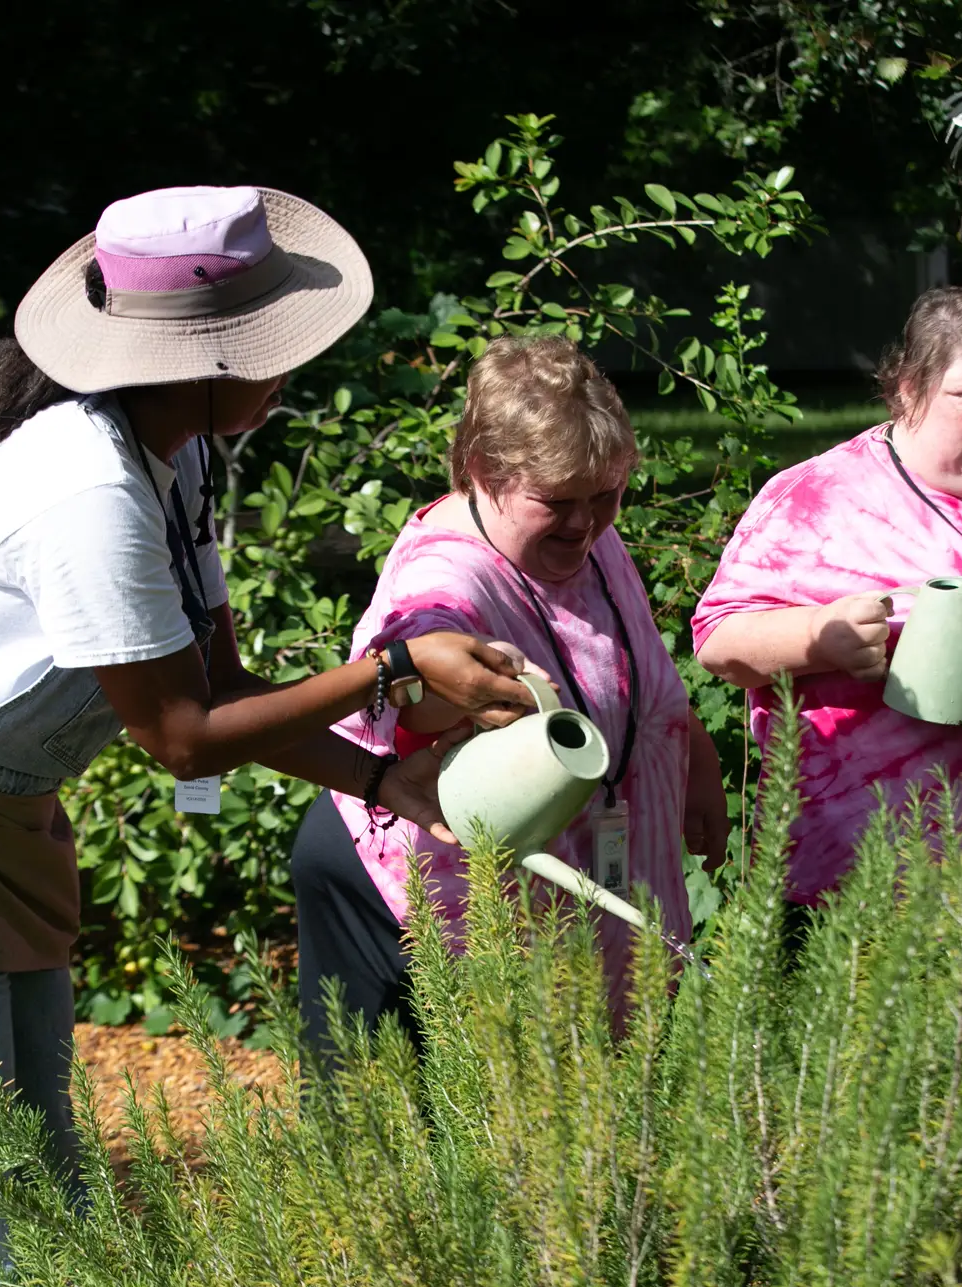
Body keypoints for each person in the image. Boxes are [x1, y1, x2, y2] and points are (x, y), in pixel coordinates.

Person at [0, 186, 534, 1287]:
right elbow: (182, 737)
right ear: (197, 357)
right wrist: (392, 667)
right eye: (272, 344)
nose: (295, 368)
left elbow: (220, 686)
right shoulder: (84, 489)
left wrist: (386, 778)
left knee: (40, 1217)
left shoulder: (178, 457)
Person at [291, 335, 729, 1045]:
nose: (586, 521)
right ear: (480, 471)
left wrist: (694, 756)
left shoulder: (575, 530)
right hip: (425, 904)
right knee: (429, 1130)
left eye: (607, 494)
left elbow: (628, 659)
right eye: (558, 502)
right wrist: (452, 691)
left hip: (581, 883)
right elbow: (416, 698)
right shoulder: (442, 582)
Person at [691, 284, 962, 910]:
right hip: (871, 880)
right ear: (908, 390)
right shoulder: (819, 499)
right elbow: (718, 642)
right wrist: (819, 636)